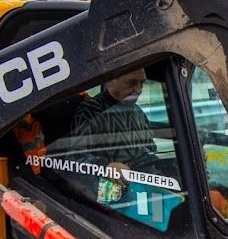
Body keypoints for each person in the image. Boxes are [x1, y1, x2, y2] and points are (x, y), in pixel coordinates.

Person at [67, 68, 161, 204]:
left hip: (140, 185)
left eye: (141, 83)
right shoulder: (91, 110)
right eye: (131, 83)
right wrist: (107, 166)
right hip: (107, 192)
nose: (139, 89)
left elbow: (150, 150)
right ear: (111, 81)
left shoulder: (138, 112)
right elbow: (75, 156)